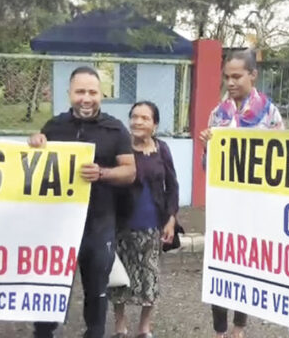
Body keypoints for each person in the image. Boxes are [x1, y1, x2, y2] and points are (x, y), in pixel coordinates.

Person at [28, 66, 136, 338]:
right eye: (80, 92)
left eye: (92, 92)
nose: (86, 98)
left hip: (99, 221)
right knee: (50, 278)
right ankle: (43, 330)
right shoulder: (54, 126)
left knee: (97, 283)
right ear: (69, 94)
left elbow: (130, 172)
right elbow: (35, 165)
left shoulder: (115, 129)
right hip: (57, 222)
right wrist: (35, 144)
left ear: (101, 94)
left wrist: (102, 173)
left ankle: (95, 332)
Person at [199, 49, 284, 338]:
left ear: (252, 75)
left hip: (255, 206)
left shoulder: (269, 113)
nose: (231, 82)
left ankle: (239, 327)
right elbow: (206, 166)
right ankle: (220, 330)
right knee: (220, 264)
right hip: (224, 206)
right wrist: (206, 145)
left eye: (237, 76)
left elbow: (283, 159)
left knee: (247, 265)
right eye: (227, 77)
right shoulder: (217, 114)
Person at [109, 101, 179, 338]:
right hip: (121, 223)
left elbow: (172, 186)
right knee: (119, 277)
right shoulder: (120, 148)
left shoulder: (162, 149)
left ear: (154, 124)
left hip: (153, 225)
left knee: (151, 276)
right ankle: (120, 326)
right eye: (134, 117)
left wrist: (171, 219)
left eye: (145, 118)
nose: (138, 121)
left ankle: (144, 328)